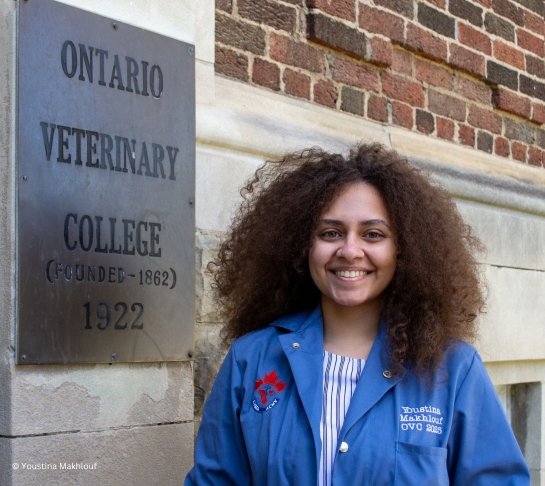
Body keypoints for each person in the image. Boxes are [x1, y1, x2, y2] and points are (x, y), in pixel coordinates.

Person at [185, 143, 530, 485]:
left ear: (402, 249)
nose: (350, 250)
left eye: (373, 234)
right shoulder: (252, 359)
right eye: (330, 233)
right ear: (302, 246)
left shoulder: (453, 371)